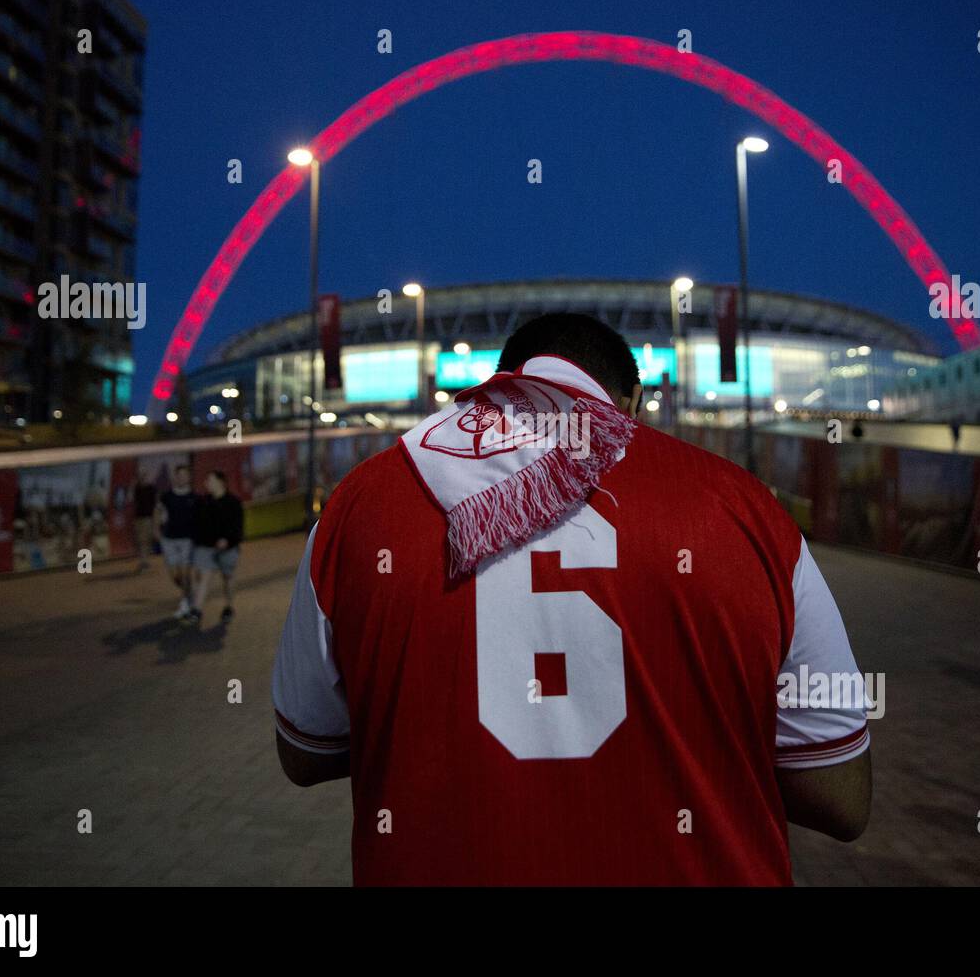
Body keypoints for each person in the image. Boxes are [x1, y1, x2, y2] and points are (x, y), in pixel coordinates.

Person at [272, 313, 872, 885]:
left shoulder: (357, 511)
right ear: (632, 403)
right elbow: (839, 794)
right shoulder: (745, 511)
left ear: (498, 385)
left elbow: (305, 751)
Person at [188, 469, 244, 625]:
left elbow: (237, 527)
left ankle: (229, 605)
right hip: (206, 546)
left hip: (228, 547)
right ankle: (196, 610)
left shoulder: (233, 502)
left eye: (210, 481)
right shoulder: (203, 502)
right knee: (203, 576)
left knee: (227, 577)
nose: (207, 484)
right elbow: (197, 523)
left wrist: (228, 540)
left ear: (221, 483)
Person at [156, 464, 197, 618]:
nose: (182, 478)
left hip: (187, 540)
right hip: (169, 540)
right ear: (175, 477)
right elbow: (157, 511)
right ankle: (189, 593)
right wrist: (156, 531)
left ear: (189, 477)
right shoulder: (166, 496)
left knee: (185, 574)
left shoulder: (194, 497)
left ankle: (185, 602)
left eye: (185, 475)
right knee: (175, 576)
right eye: (179, 475)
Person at [133, 467, 157, 573]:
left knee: (145, 541)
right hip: (139, 518)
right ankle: (144, 561)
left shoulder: (151, 488)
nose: (143, 477)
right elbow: (132, 500)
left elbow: (155, 505)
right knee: (141, 541)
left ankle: (144, 562)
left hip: (147, 517)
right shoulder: (137, 488)